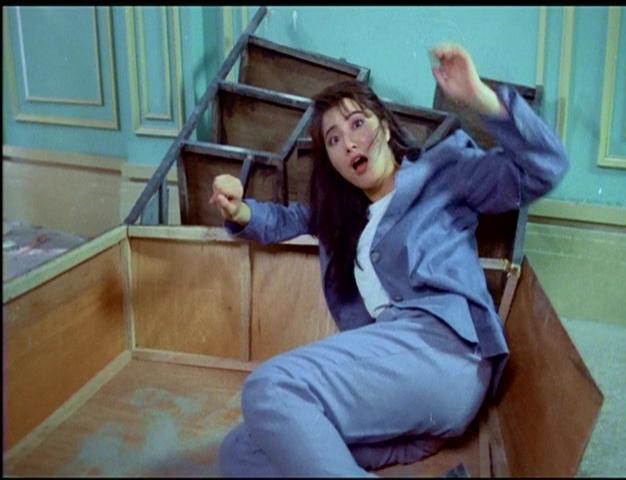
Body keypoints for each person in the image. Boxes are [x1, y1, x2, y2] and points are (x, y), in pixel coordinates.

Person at [210, 42, 569, 477]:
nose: (349, 143)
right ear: (332, 162)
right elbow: (287, 219)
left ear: (382, 123)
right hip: (397, 389)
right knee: (243, 451)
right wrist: (239, 211)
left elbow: (545, 166)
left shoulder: (442, 172)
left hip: (446, 350)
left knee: (271, 387)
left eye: (357, 123)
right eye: (333, 140)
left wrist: (480, 97)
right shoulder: (344, 219)